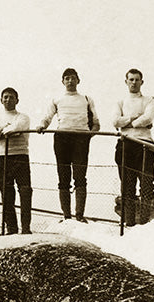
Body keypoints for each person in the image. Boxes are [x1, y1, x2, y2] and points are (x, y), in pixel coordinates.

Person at [37, 67, 100, 222]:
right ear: (63, 81)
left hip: (81, 139)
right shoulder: (56, 99)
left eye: (73, 78)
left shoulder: (86, 99)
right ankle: (66, 216)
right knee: (63, 177)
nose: (70, 81)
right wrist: (42, 125)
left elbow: (96, 124)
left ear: (78, 80)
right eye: (67, 78)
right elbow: (47, 117)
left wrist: (87, 136)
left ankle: (79, 215)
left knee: (80, 176)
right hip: (62, 138)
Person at [112, 68, 154, 226]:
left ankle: (144, 223)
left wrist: (127, 123)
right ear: (126, 82)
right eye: (131, 79)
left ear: (142, 82)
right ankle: (129, 223)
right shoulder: (120, 102)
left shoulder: (149, 100)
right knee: (127, 186)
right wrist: (134, 118)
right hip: (126, 144)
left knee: (146, 184)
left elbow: (148, 118)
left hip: (145, 145)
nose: (134, 82)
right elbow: (115, 121)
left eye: (137, 79)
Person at [0, 87, 33, 235]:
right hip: (3, 157)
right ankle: (11, 229)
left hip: (20, 156)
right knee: (6, 193)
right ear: (1, 100)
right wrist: (3, 127)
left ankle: (26, 228)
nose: (8, 100)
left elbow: (17, 129)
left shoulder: (23, 117)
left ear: (17, 100)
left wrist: (2, 131)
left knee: (25, 191)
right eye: (5, 97)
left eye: (11, 97)